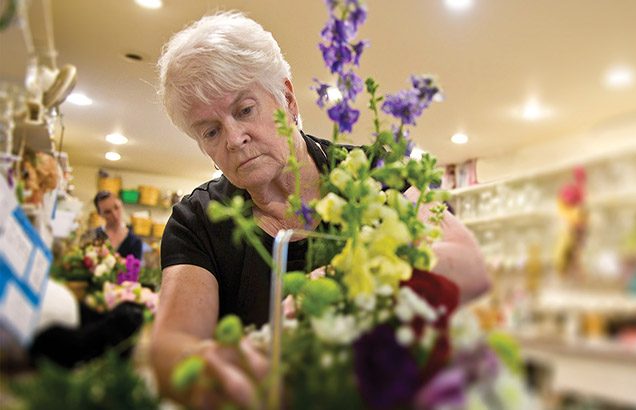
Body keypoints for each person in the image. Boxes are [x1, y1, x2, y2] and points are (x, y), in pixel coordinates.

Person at [150, 11, 490, 408]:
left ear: (287, 99)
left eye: (244, 110)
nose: (235, 138)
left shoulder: (374, 171)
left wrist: (341, 282)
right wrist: (206, 369)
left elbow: (469, 266)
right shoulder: (197, 219)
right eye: (210, 131)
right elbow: (170, 346)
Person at [93, 190, 143, 261]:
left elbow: (135, 269)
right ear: (100, 214)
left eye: (116, 207)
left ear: (121, 203)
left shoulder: (135, 241)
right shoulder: (94, 236)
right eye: (107, 212)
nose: (115, 215)